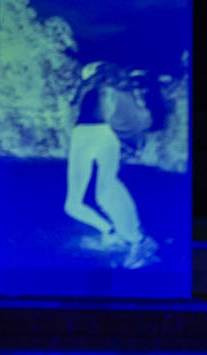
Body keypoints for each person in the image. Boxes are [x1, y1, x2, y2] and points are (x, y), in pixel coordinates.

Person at [63, 61, 160, 270]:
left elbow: (79, 103)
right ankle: (131, 238)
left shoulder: (99, 90)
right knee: (104, 191)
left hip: (90, 135)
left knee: (76, 204)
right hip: (105, 136)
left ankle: (120, 235)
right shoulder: (114, 92)